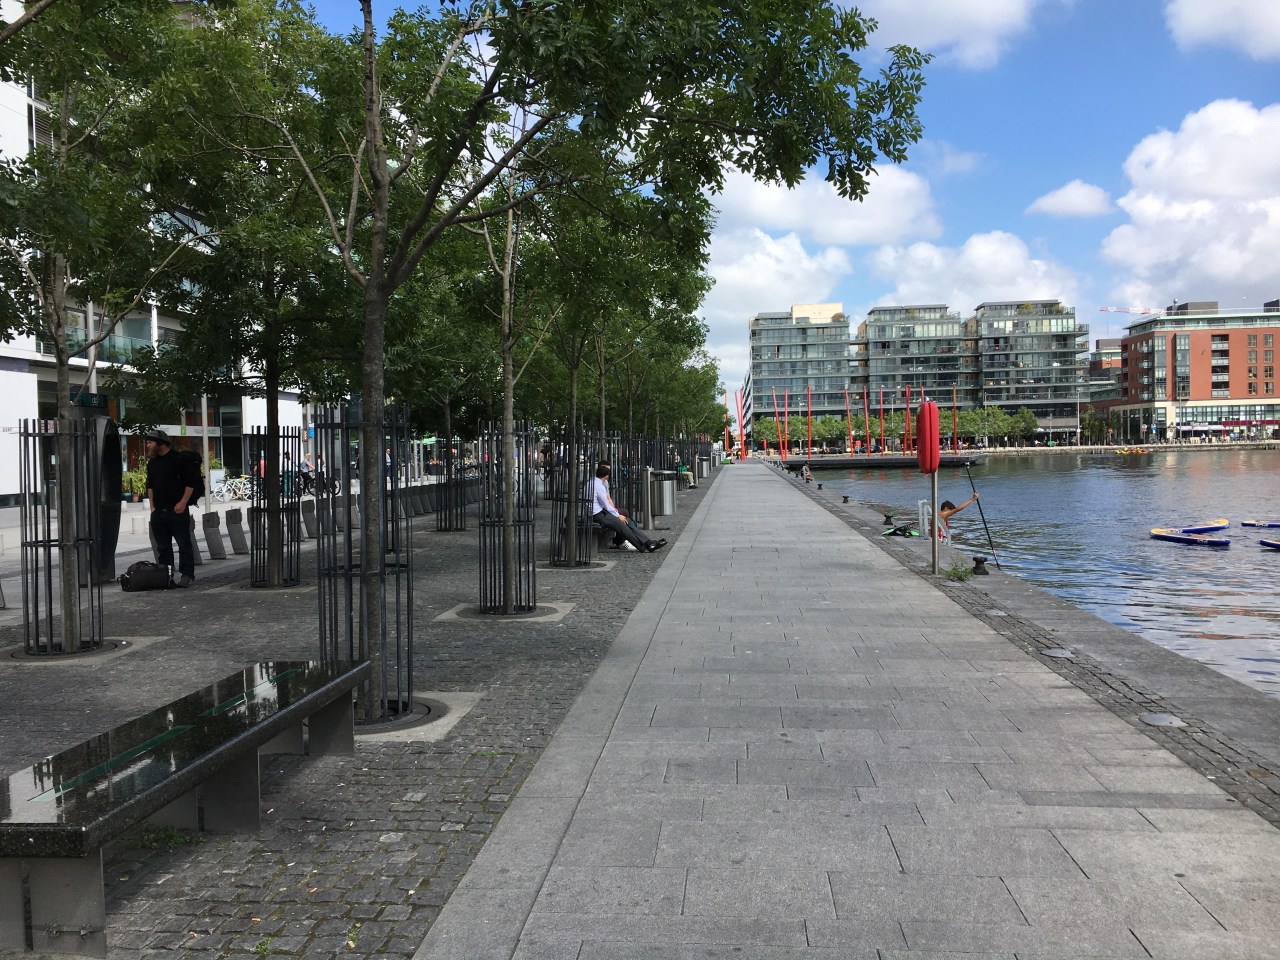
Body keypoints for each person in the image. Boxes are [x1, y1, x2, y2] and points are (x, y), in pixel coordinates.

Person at [144, 428, 198, 587]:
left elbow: (191, 483)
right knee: (163, 547)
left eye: (150, 442)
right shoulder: (152, 463)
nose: (147, 445)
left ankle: (187, 575)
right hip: (159, 512)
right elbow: (150, 486)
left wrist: (182, 503)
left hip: (177, 510)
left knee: (184, 544)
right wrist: (152, 507)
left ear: (160, 443)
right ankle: (166, 576)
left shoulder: (179, 459)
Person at [591, 461, 665, 553]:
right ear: (606, 476)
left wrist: (616, 513)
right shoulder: (599, 486)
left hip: (601, 512)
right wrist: (617, 515)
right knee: (623, 526)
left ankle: (648, 542)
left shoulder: (593, 482)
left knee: (627, 521)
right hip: (598, 514)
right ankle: (642, 546)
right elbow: (606, 503)